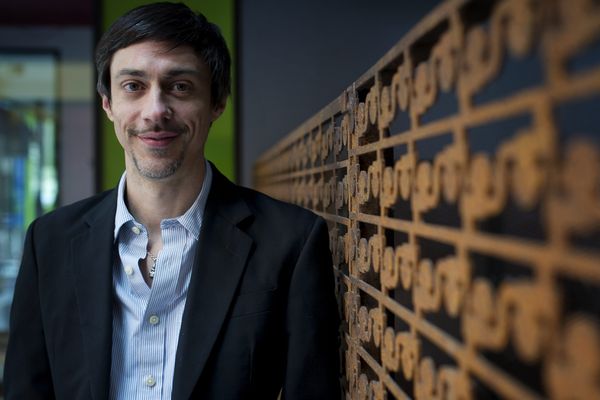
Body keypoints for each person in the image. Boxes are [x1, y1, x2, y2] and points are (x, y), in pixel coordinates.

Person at [3, 3, 340, 399]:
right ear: (108, 103)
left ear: (217, 103)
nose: (156, 111)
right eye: (133, 86)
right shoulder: (50, 242)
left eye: (180, 86)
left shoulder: (291, 241)